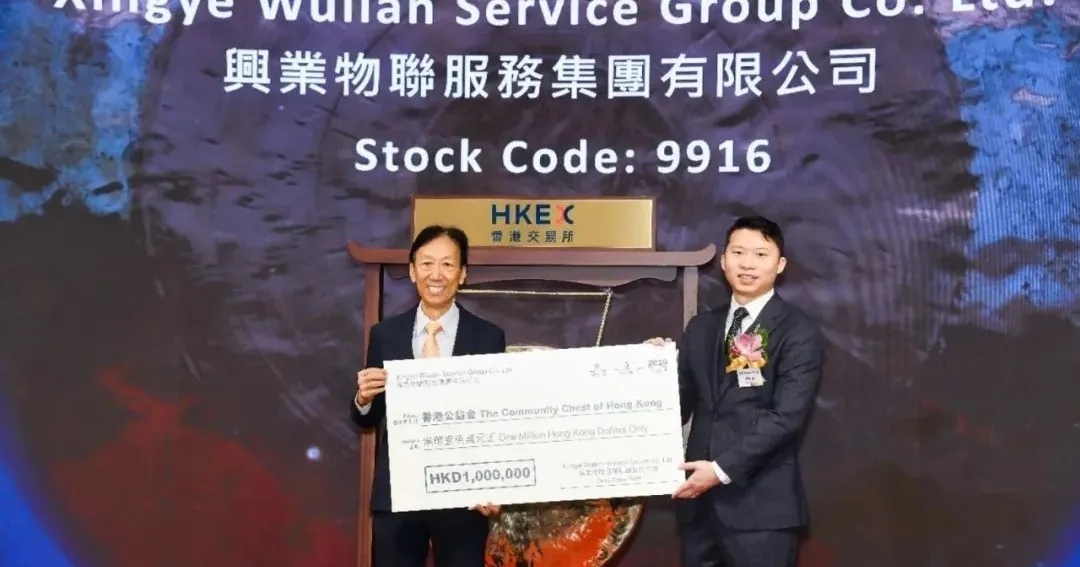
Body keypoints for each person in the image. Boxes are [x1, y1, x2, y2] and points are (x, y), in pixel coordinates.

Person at [646, 215, 824, 567]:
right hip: (698, 510)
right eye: (739, 252)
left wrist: (720, 470)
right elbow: (677, 404)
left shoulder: (798, 331)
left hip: (761, 511)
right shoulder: (701, 327)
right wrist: (652, 369)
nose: (747, 263)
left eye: (760, 254)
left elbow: (786, 418)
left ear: (780, 264)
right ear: (724, 260)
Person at [351, 224, 506, 567]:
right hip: (398, 495)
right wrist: (363, 399)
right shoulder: (385, 334)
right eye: (426, 263)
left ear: (462, 274)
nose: (436, 274)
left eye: (448, 264)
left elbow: (495, 421)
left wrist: (492, 482)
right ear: (412, 271)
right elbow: (368, 417)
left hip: (463, 495)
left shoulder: (488, 337)